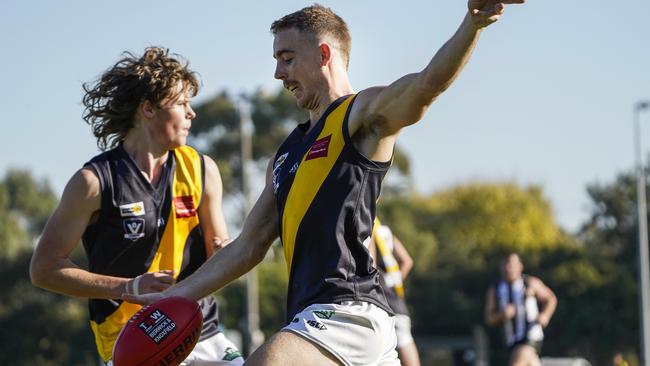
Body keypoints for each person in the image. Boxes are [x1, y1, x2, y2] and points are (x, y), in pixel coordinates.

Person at [125, 2, 526, 365]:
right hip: (316, 319)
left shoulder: (361, 115)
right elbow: (247, 248)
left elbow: (425, 86)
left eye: (286, 59)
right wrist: (173, 296)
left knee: (268, 362)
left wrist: (472, 25)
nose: (278, 73)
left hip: (349, 312)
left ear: (323, 54)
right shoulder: (284, 155)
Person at [29, 47, 243, 366]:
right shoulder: (93, 182)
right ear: (147, 109)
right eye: (181, 103)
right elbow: (44, 269)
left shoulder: (202, 169)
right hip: (133, 342)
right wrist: (129, 287)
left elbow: (218, 254)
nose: (191, 113)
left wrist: (224, 251)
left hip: (198, 328)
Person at [484, 253, 557, 366]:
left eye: (512, 264)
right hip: (511, 341)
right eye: (506, 265)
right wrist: (502, 315)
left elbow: (551, 299)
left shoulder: (530, 283)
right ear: (501, 267)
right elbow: (489, 319)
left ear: (520, 266)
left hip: (531, 336)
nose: (509, 268)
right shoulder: (495, 289)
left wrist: (545, 315)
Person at [370, 219, 421, 366]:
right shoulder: (386, 231)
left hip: (381, 297)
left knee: (401, 339)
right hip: (394, 296)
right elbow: (407, 261)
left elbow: (370, 263)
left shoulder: (369, 227)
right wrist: (395, 281)